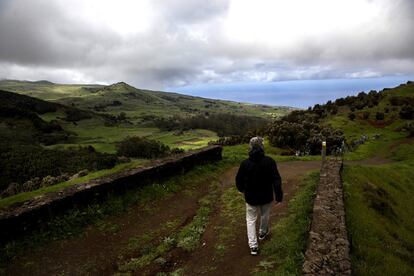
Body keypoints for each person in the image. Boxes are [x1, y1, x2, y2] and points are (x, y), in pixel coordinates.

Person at [235, 136, 283, 256]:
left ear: (250, 147)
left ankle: (253, 246)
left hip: (250, 197)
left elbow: (238, 179)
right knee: (265, 215)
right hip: (266, 196)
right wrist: (278, 196)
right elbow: (276, 179)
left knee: (250, 220)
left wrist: (242, 190)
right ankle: (262, 233)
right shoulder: (270, 161)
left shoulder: (245, 163)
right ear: (262, 147)